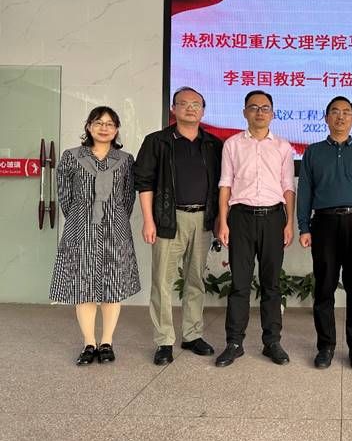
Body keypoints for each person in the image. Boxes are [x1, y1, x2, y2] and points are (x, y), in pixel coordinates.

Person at [134, 86, 222, 365]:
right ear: (173, 109)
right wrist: (149, 220)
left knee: (196, 280)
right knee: (162, 281)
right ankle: (164, 340)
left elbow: (222, 186)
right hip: (168, 219)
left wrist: (219, 219)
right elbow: (144, 182)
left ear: (203, 111)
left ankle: (192, 335)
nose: (190, 108)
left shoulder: (213, 144)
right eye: (184, 103)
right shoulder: (157, 141)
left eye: (196, 104)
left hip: (203, 220)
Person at [297, 96, 352, 370]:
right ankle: (326, 346)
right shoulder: (313, 152)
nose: (340, 116)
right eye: (335, 111)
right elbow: (305, 192)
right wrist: (304, 226)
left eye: (346, 112)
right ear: (326, 118)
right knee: (324, 287)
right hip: (323, 223)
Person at [50, 106, 140, 365]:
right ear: (88, 126)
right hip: (81, 228)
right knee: (84, 286)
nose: (104, 128)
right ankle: (89, 343)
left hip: (115, 228)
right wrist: (81, 217)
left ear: (116, 129)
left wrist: (114, 217)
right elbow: (65, 195)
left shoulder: (125, 160)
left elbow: (128, 197)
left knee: (112, 286)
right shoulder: (71, 157)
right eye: (98, 122)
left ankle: (107, 342)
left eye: (110, 124)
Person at [215, 91, 296, 367]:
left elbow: (288, 187)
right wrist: (223, 221)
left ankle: (272, 342)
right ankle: (234, 342)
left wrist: (289, 222)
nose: (260, 112)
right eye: (254, 107)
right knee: (239, 283)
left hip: (274, 218)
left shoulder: (283, 147)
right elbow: (225, 184)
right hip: (241, 218)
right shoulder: (232, 145)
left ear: (272, 113)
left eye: (265, 108)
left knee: (271, 284)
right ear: (244, 112)